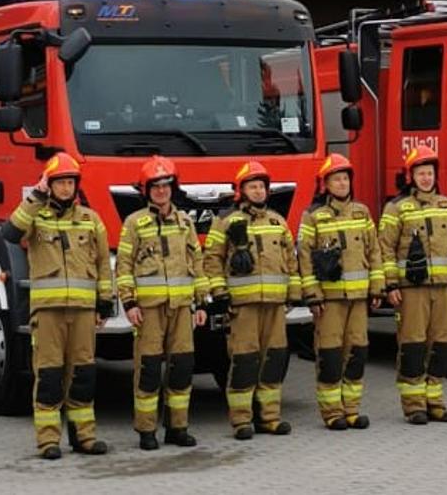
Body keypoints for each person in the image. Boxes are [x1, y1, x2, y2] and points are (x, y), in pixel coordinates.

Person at [2, 152, 113, 459]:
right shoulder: (36, 217)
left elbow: (103, 264)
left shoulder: (91, 220)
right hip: (48, 312)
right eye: (60, 182)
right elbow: (10, 232)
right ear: (49, 185)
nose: (66, 188)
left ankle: (84, 437)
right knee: (49, 376)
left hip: (83, 312)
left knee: (83, 376)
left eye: (70, 182)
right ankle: (48, 440)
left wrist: (104, 303)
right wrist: (36, 195)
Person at [378, 146, 447, 424]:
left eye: (429, 173)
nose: (426, 178)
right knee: (413, 345)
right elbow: (385, 249)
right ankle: (414, 405)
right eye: (421, 173)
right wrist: (391, 285)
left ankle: (435, 400)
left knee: (442, 344)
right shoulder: (396, 209)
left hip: (445, 288)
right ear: (410, 176)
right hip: (412, 290)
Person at [116, 156, 208, 451]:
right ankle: (146, 430)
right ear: (146, 190)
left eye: (166, 185)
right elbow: (124, 266)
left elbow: (197, 263)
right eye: (155, 186)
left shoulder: (185, 222)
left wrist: (201, 303)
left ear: (173, 187)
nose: (161, 190)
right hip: (149, 310)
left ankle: (177, 428)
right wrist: (129, 302)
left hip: (181, 308)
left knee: (182, 368)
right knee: (149, 369)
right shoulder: (134, 223)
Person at [202, 161, 298, 440]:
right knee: (244, 361)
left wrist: (294, 294)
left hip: (275, 305)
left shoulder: (277, 222)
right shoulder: (226, 221)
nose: (258, 191)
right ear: (241, 191)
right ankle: (242, 420)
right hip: (242, 306)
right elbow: (212, 260)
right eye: (252, 186)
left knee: (274, 360)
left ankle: (270, 418)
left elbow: (291, 261)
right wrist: (220, 295)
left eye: (261, 186)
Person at [297, 153, 384, 431]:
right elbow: (304, 258)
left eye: (345, 178)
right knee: (331, 355)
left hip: (358, 298)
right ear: (325, 184)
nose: (342, 183)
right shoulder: (313, 216)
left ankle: (352, 410)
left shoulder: (362, 212)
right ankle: (332, 412)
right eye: (336, 179)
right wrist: (312, 294)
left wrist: (377, 287)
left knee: (357, 353)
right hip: (329, 301)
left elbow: (374, 252)